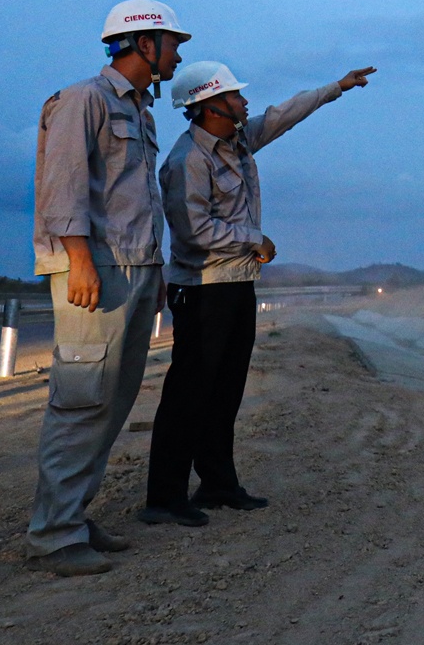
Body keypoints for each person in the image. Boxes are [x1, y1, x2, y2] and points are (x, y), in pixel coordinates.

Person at [141, 60, 376, 524]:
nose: (245, 102)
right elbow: (191, 230)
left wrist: (337, 86)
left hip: (236, 286)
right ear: (210, 107)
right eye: (234, 96)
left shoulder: (239, 140)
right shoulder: (187, 160)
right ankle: (164, 498)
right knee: (189, 393)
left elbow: (283, 114)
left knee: (225, 390)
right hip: (203, 290)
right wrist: (253, 239)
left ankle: (218, 485)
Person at [26, 0, 190, 576]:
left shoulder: (142, 112)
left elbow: (138, 204)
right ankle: (54, 535)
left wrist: (158, 273)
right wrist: (80, 262)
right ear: (143, 43)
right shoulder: (83, 100)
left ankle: (72, 514)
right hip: (94, 271)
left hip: (137, 271)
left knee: (112, 402)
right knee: (81, 400)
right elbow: (62, 186)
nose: (177, 54)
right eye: (173, 43)